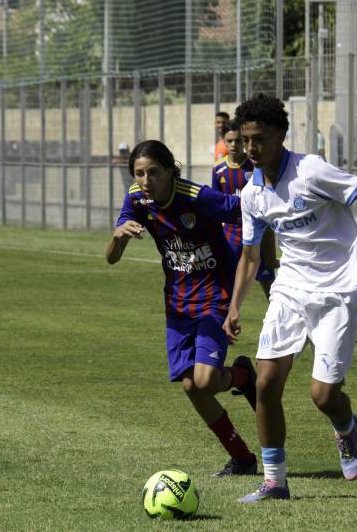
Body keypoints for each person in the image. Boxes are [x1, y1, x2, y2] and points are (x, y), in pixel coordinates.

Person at [221, 94, 357, 503]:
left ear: (281, 136)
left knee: (322, 396)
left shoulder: (311, 171)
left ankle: (346, 427)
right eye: (246, 140)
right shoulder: (252, 194)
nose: (252, 149)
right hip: (289, 288)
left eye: (260, 139)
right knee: (267, 384)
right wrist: (235, 306)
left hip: (336, 290)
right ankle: (275, 482)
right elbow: (252, 256)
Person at [106, 139, 259, 477]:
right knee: (192, 387)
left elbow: (246, 210)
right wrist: (119, 236)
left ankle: (242, 376)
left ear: (170, 170)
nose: (146, 180)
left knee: (203, 380)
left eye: (154, 172)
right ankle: (243, 454)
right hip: (177, 307)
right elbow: (111, 258)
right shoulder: (136, 198)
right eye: (139, 173)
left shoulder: (196, 196)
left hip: (214, 298)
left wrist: (262, 249)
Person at [212, 120, 278, 299]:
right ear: (224, 141)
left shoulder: (256, 166)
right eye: (230, 141)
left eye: (238, 141)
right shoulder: (218, 169)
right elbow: (216, 204)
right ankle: (227, 318)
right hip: (231, 235)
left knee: (269, 283)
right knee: (228, 284)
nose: (234, 145)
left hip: (258, 231)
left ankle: (280, 318)